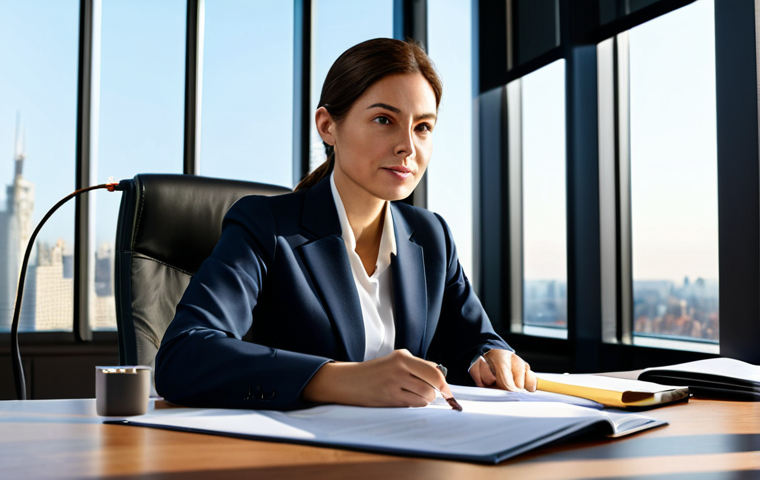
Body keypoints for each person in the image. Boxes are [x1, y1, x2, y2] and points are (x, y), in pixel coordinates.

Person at [155, 38, 537, 411]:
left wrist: (492, 355)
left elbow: (477, 340)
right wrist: (342, 379)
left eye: (422, 127)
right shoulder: (266, 226)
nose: (407, 145)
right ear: (327, 126)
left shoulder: (431, 236)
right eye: (384, 120)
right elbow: (183, 355)